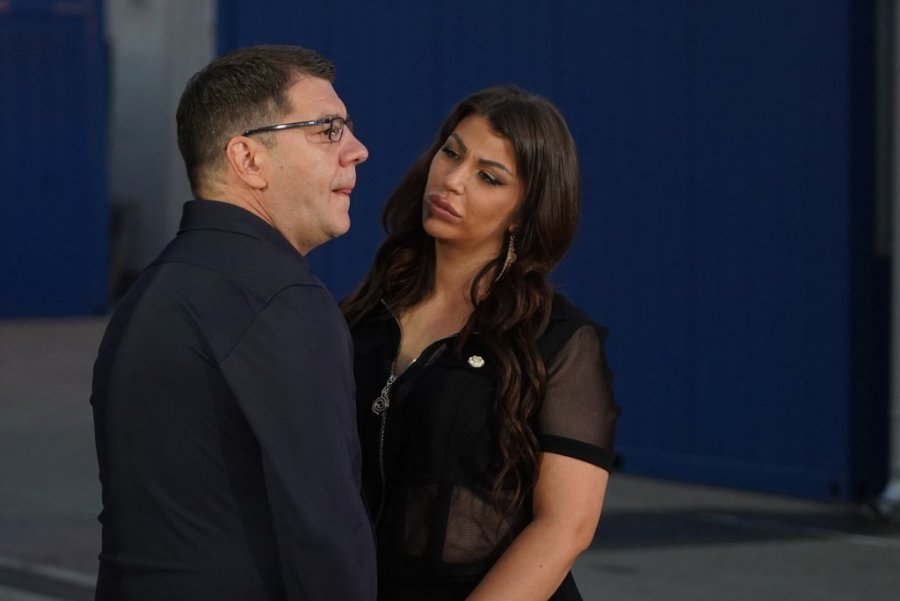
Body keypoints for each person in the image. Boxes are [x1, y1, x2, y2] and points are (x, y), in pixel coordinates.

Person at [90, 45, 375, 601]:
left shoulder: (154, 289)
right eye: (327, 129)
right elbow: (324, 528)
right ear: (248, 159)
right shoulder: (278, 299)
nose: (357, 150)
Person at [342, 85, 619, 600]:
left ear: (523, 212)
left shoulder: (557, 340)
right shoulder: (365, 313)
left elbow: (566, 526)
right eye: (451, 153)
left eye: (488, 177)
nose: (452, 180)